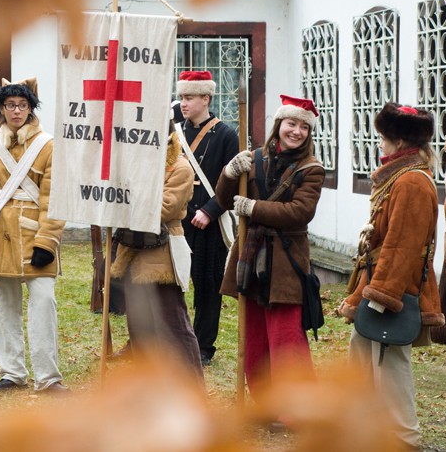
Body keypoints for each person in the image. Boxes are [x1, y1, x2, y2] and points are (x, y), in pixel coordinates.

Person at [339, 103, 445, 450]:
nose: (380, 143)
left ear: (399, 142)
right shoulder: (401, 176)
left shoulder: (412, 182)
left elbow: (401, 249)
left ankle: (405, 441)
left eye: (384, 138)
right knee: (362, 361)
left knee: (392, 372)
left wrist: (380, 299)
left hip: (394, 292)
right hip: (380, 284)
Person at [0, 78, 67, 393]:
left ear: (31, 108)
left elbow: (54, 199)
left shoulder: (48, 146)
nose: (17, 111)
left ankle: (48, 378)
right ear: (1, 110)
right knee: (5, 308)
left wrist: (47, 241)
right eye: (10, 105)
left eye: (22, 105)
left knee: (44, 304)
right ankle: (12, 373)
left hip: (36, 237)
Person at [216, 94, 325, 399]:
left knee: (286, 340)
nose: (297, 132)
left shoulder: (311, 169)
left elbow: (299, 213)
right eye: (292, 124)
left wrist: (254, 208)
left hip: (287, 264)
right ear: (279, 124)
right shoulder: (255, 159)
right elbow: (225, 201)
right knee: (255, 338)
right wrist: (229, 173)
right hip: (251, 259)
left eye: (304, 127)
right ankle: (264, 404)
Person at [110, 123, 204, 379]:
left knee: (173, 326)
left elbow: (164, 209)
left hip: (162, 253)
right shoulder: (133, 162)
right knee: (140, 328)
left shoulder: (181, 167)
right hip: (131, 251)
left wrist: (125, 195)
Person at [174, 70, 239, 366]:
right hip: (178, 218)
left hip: (208, 222)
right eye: (182, 97)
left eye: (189, 97)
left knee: (208, 286)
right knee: (173, 283)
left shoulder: (226, 135)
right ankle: (177, 340)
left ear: (205, 98)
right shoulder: (176, 133)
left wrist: (211, 211)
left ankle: (203, 346)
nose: (183, 103)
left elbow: (233, 180)